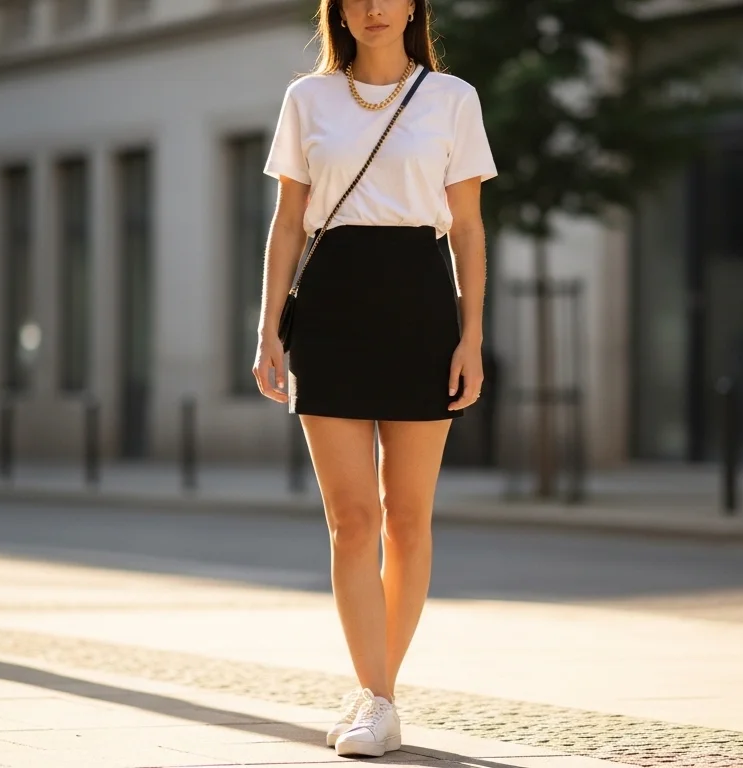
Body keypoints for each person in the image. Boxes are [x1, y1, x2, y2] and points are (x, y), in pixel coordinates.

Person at [252, 0, 497, 759]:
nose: (374, 7)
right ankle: (377, 697)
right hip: (330, 312)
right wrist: (267, 331)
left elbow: (467, 230)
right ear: (339, 12)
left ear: (414, 6)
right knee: (352, 520)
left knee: (408, 517)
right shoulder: (307, 100)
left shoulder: (453, 99)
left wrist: (473, 337)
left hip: (421, 307)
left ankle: (378, 692)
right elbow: (289, 221)